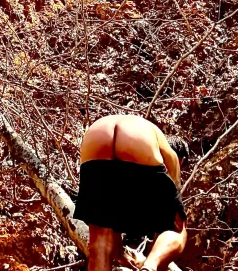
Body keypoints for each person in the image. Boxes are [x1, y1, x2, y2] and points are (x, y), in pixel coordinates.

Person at [74, 114, 187, 271]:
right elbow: (170, 210)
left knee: (100, 243)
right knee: (175, 228)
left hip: (94, 143)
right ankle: (150, 267)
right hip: (137, 143)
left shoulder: (142, 125)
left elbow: (110, 213)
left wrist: (119, 252)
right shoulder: (158, 137)